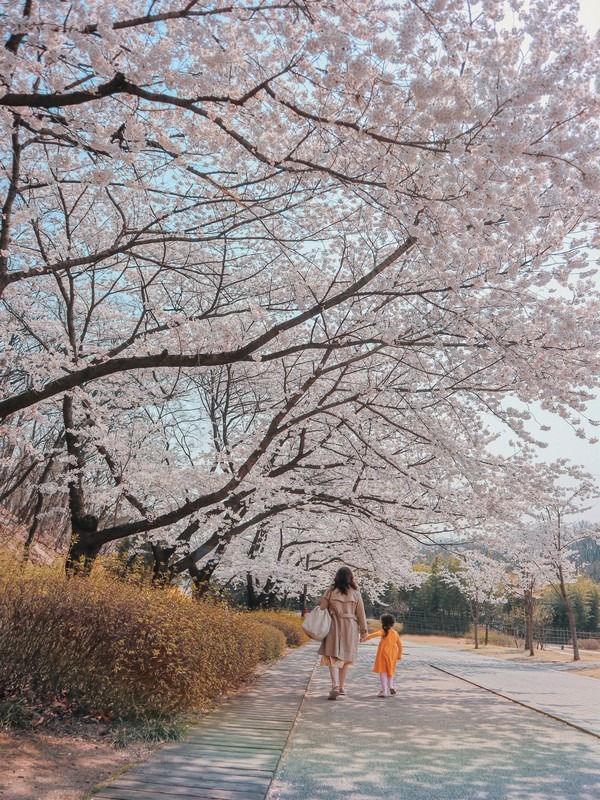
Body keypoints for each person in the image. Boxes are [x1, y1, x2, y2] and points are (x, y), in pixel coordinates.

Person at [318, 566, 368, 700]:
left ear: (337, 577)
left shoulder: (330, 591)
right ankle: (341, 687)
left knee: (332, 656)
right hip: (350, 626)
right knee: (346, 658)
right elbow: (361, 614)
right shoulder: (356, 593)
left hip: (333, 625)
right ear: (351, 578)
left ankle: (334, 685)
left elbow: (322, 608)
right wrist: (364, 632)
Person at [363, 613, 403, 697]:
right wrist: (399, 655)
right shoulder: (395, 633)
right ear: (393, 623)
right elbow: (400, 645)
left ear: (383, 623)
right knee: (390, 670)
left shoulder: (384, 631)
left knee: (383, 672)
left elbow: (375, 634)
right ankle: (391, 685)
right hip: (392, 654)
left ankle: (384, 691)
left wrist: (365, 638)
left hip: (383, 653)